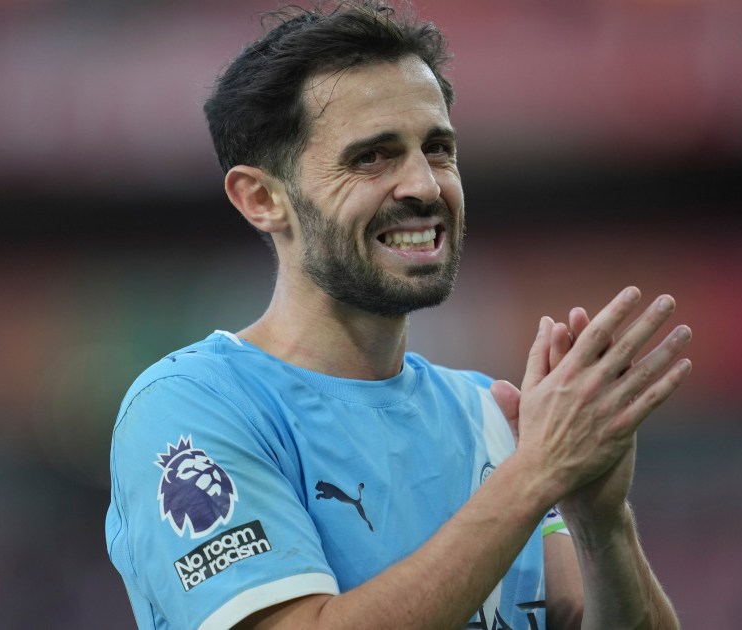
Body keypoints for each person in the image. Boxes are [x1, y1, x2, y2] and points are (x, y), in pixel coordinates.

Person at [105, 2, 692, 628]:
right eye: (372, 157)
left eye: (437, 149)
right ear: (262, 198)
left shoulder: (490, 417)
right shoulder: (193, 408)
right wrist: (534, 476)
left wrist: (602, 521)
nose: (425, 186)